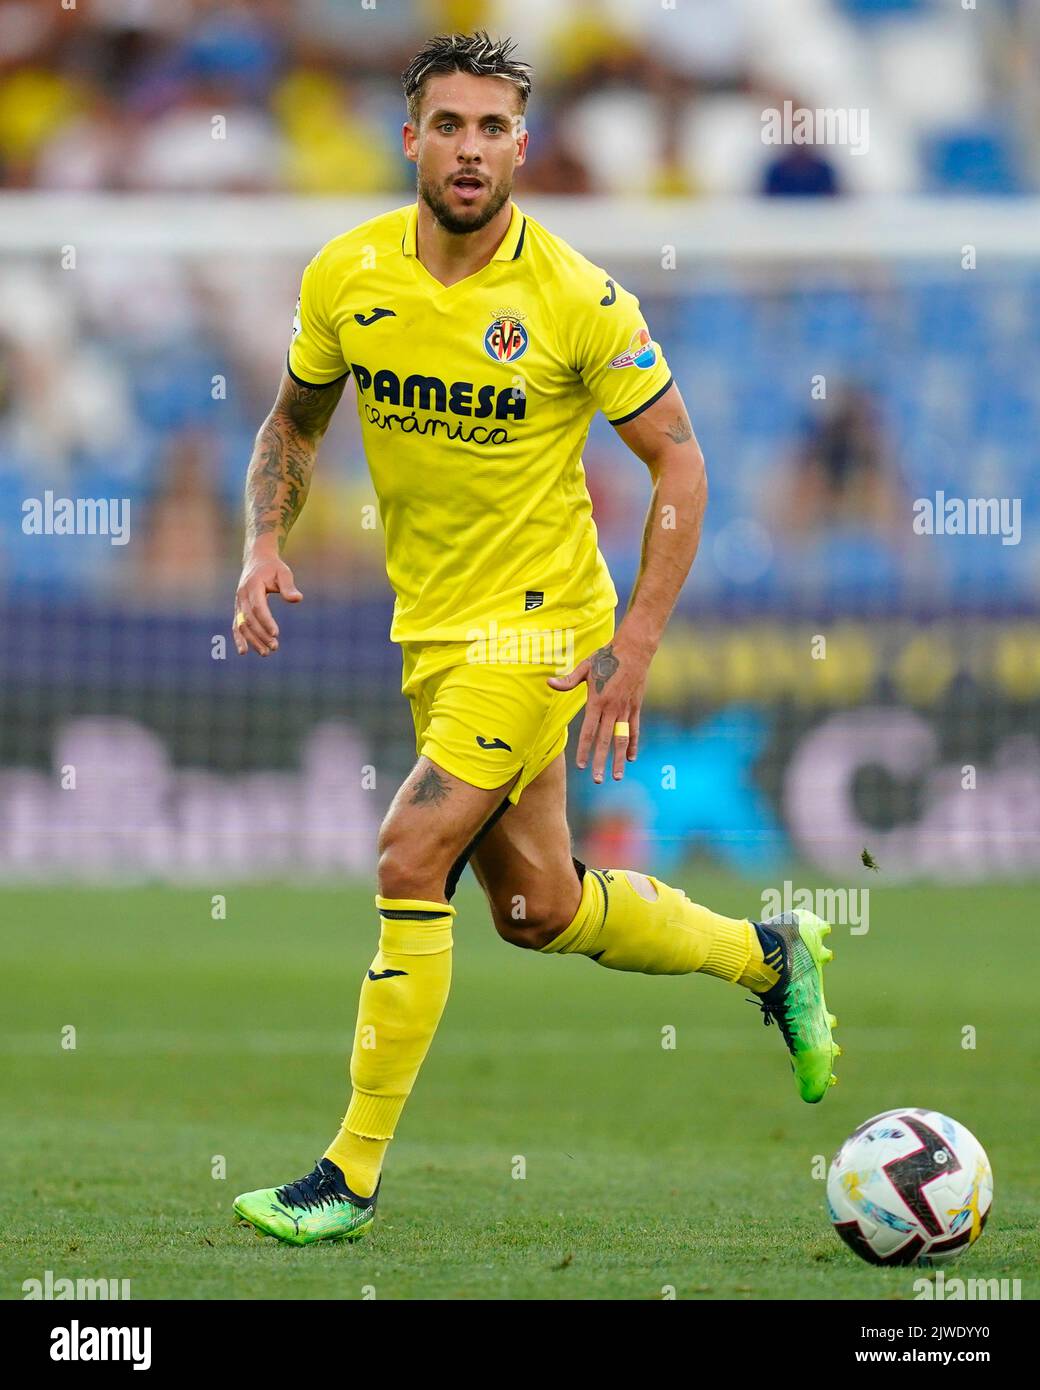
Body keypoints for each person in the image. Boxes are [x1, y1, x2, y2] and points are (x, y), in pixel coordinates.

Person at [230, 30, 840, 1247]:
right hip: (432, 631)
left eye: (492, 128)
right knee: (539, 909)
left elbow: (677, 456)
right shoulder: (346, 275)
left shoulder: (575, 296)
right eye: (446, 125)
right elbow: (292, 422)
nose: (469, 149)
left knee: (410, 854)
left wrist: (638, 641)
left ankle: (345, 1176)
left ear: (522, 143)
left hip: (541, 631)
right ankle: (768, 956)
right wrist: (261, 542)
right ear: (410, 138)